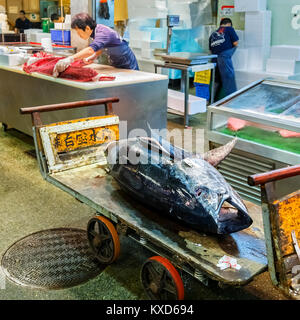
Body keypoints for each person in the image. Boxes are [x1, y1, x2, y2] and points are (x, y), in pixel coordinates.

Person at [53, 13, 139, 77]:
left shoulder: (103, 33)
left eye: (79, 32)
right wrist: (94, 56)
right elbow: (102, 46)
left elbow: (90, 50)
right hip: (118, 65)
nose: (79, 35)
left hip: (129, 66)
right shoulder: (96, 31)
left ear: (87, 28)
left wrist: (70, 59)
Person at [209, 18, 239, 98]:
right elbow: (236, 43)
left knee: (216, 81)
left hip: (214, 60)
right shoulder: (229, 29)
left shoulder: (213, 34)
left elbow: (211, 51)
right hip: (224, 59)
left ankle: (212, 101)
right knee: (229, 79)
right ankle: (232, 100)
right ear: (229, 24)